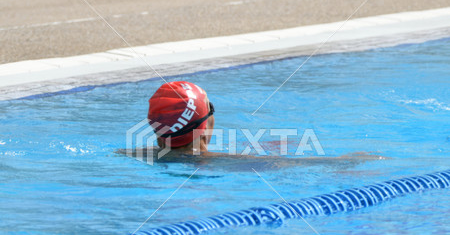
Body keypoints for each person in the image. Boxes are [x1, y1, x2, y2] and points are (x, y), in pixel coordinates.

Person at [120, 81, 385, 169]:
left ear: (157, 135)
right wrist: (342, 161)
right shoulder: (231, 163)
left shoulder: (131, 155)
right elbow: (286, 165)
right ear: (205, 127)